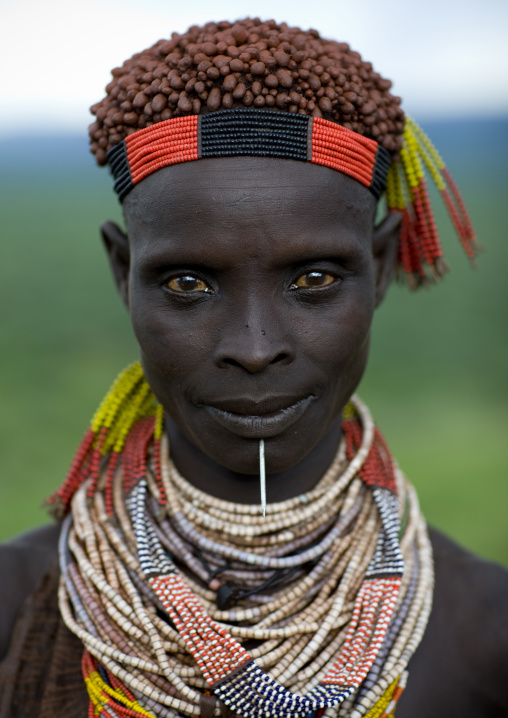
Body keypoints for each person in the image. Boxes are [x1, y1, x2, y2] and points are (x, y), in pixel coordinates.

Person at [1, 17, 507, 718]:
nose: (254, 345)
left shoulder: (484, 634)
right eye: (188, 285)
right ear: (124, 274)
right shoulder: (16, 607)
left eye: (314, 280)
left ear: (382, 266)